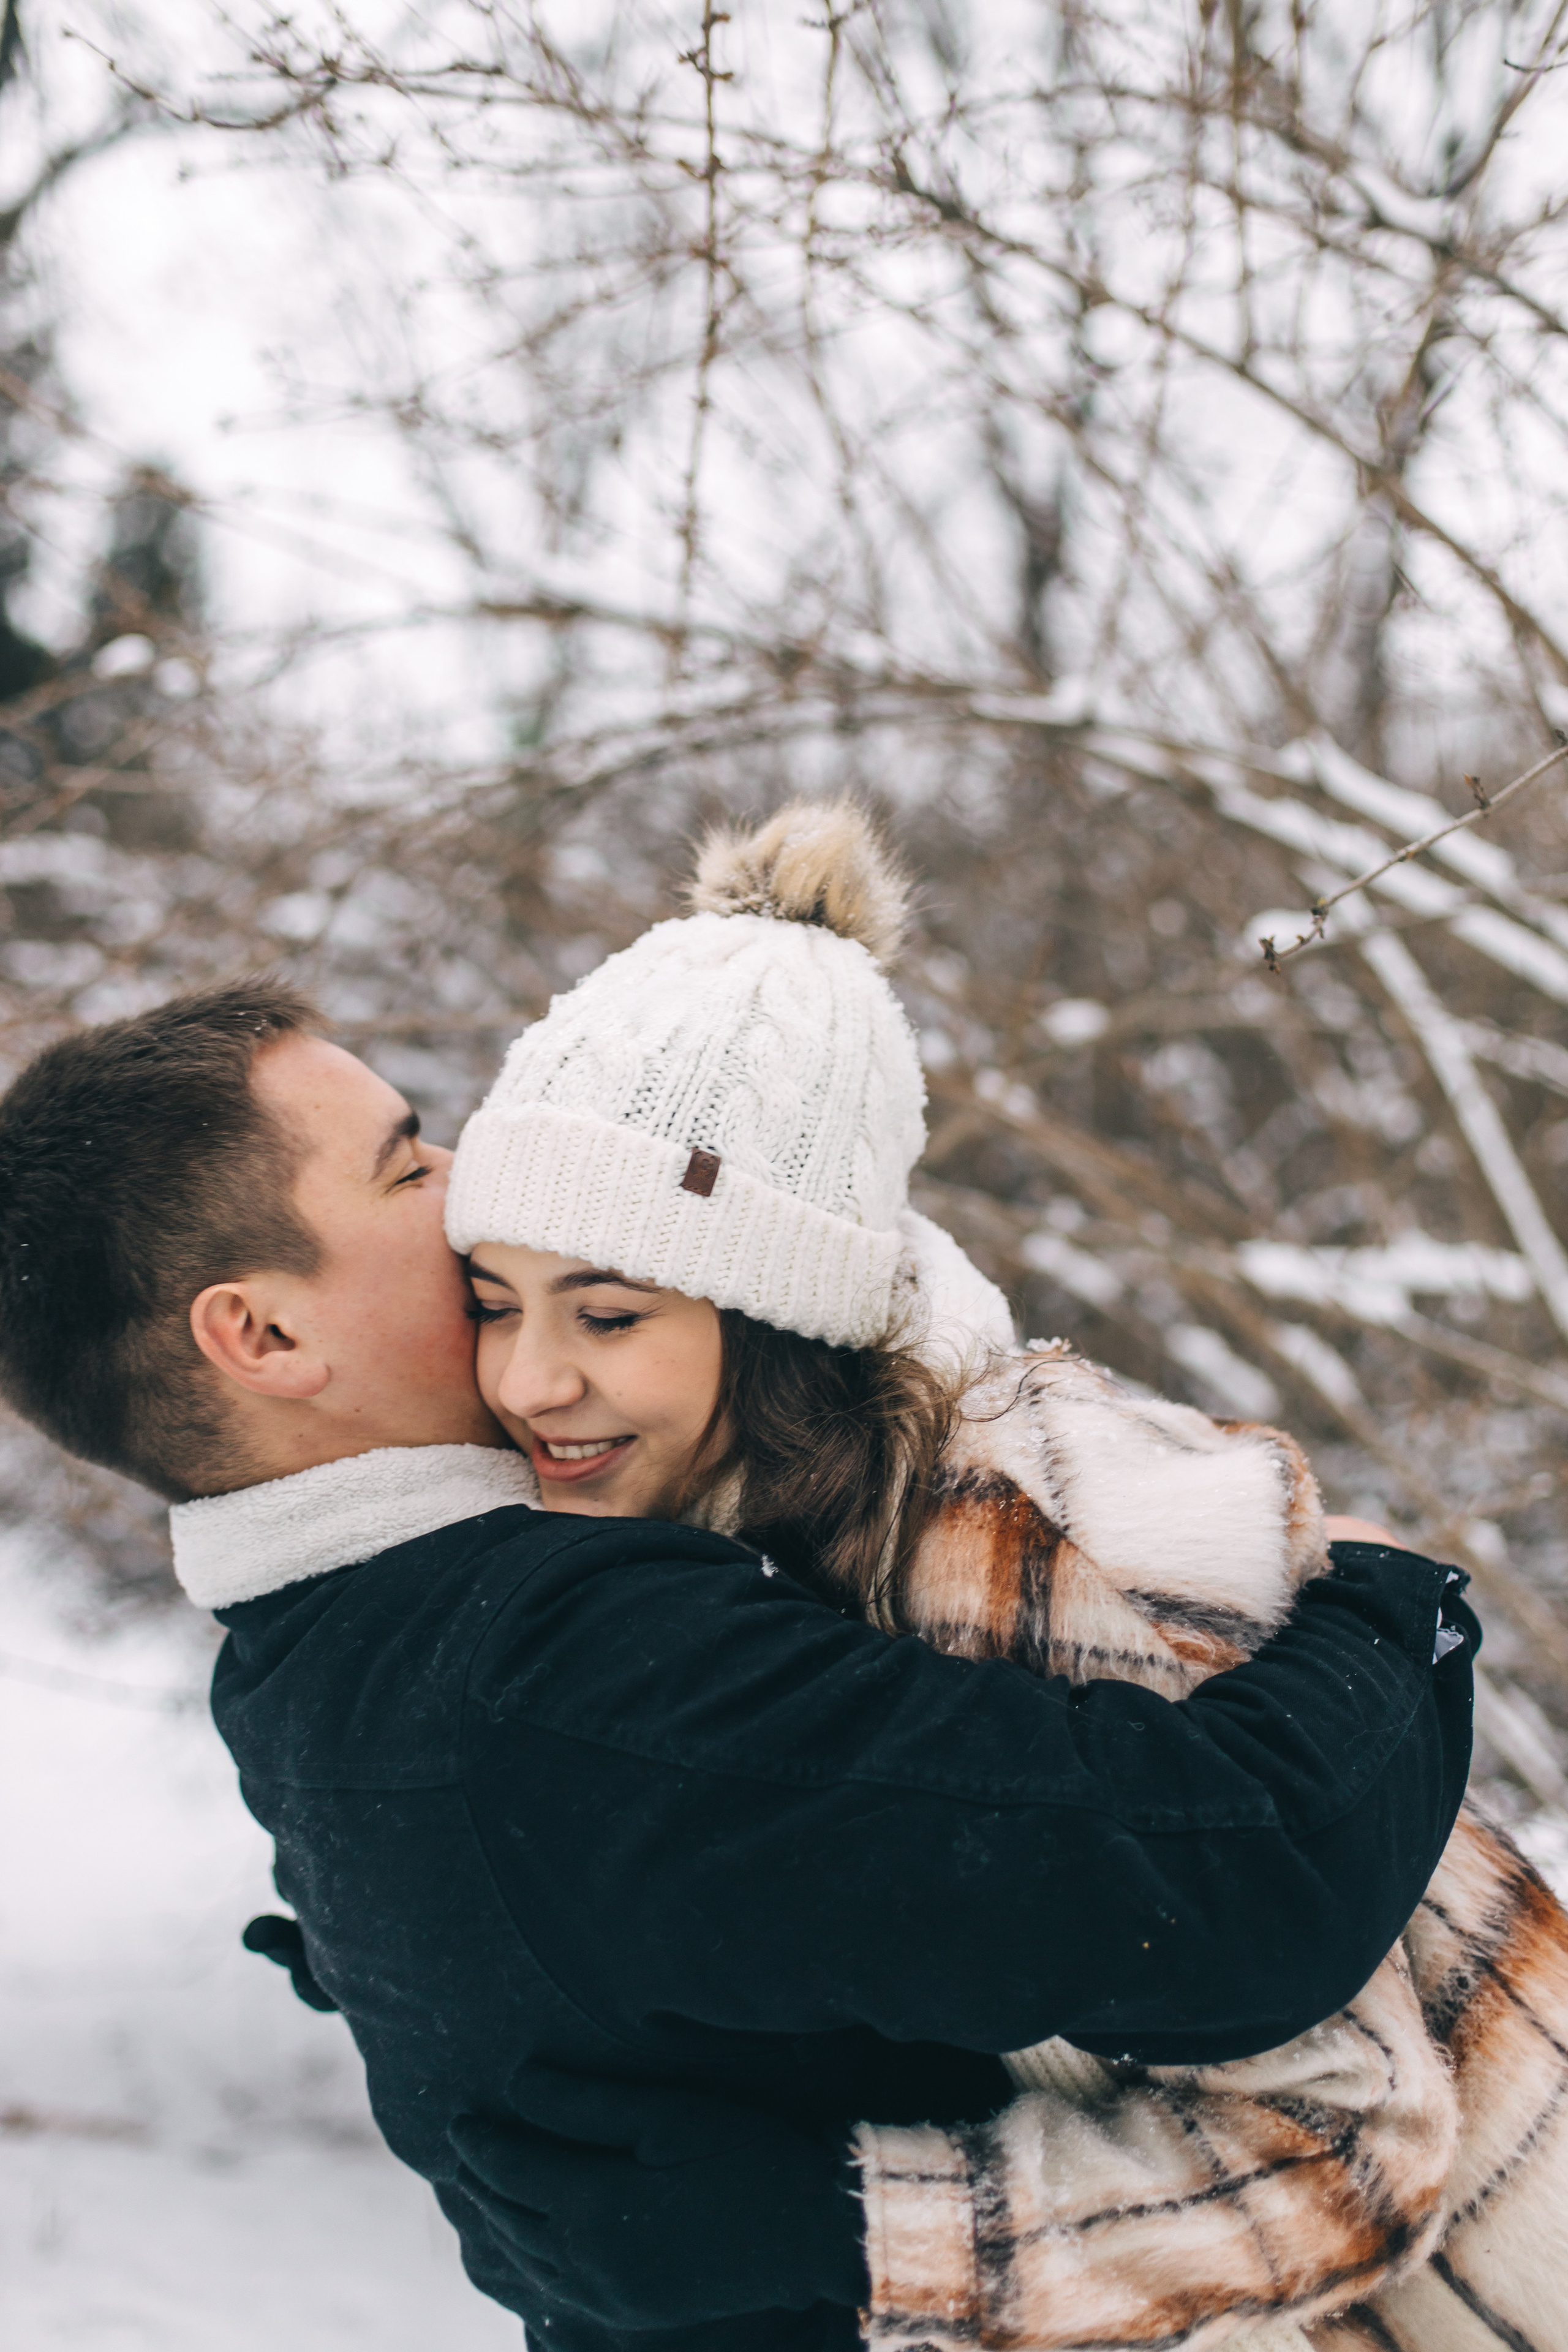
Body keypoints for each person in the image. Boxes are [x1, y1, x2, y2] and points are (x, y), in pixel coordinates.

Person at [0, 846, 1471, 2352]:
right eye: (404, 1160)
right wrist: (1388, 1607)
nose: (461, 1174)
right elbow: (1237, 1895)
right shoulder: (563, 1668)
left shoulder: (306, 1648)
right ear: (258, 1332)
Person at [434, 806, 1565, 2350]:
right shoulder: (711, 1520)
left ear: (779, 1317)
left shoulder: (1043, 1542)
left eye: (608, 1315)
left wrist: (834, 2225)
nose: (530, 1379)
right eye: (495, 1303)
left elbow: (1348, 2153)